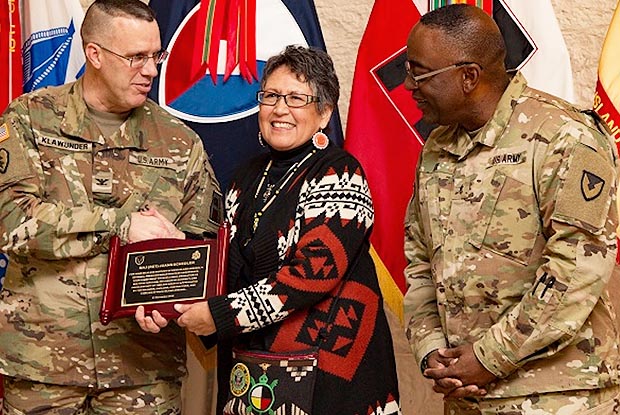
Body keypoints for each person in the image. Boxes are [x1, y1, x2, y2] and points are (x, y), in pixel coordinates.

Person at [137, 44, 402, 415]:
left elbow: (312, 274)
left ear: (324, 113)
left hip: (330, 378)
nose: (280, 109)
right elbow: (226, 263)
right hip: (253, 374)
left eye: (297, 98)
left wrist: (220, 314)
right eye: (272, 96)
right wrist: (175, 261)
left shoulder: (339, 172)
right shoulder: (247, 176)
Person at [0, 0, 221, 413]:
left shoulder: (180, 142)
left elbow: (200, 250)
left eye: (157, 55)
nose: (152, 70)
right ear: (95, 54)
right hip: (42, 366)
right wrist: (119, 225)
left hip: (142, 371)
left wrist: (168, 301)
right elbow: (11, 222)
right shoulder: (29, 119)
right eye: (137, 57)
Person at [403, 4, 620, 414]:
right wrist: (432, 351)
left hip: (558, 399)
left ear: (469, 76)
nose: (409, 84)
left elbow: (575, 271)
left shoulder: (566, 137)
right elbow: (419, 263)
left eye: (420, 73)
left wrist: (488, 358)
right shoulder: (436, 149)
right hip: (468, 397)